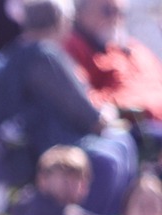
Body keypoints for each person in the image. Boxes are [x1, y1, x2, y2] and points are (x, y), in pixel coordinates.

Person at [0, 0, 137, 215]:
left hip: (25, 143)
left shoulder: (17, 50)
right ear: (60, 22)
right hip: (41, 145)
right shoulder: (43, 55)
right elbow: (86, 113)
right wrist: (104, 117)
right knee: (110, 157)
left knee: (121, 144)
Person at [64, 0, 162, 129]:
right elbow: (80, 99)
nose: (116, 18)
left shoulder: (133, 47)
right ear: (80, 12)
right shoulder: (71, 47)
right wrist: (129, 103)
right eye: (108, 11)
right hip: (135, 130)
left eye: (120, 12)